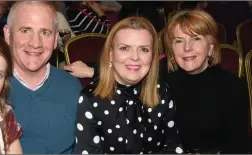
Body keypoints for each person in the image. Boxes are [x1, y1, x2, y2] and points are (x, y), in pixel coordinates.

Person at [73, 17, 183, 154]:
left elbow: (174, 147)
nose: (135, 57)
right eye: (125, 48)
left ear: (152, 57)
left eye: (144, 49)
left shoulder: (161, 91)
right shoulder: (90, 99)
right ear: (111, 55)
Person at [164, 10, 248, 153]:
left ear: (210, 47)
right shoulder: (161, 85)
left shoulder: (233, 87)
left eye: (196, 38)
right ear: (171, 49)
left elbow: (237, 147)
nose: (187, 48)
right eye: (179, 41)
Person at [3, 1, 82, 154]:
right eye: (26, 30)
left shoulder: (71, 87)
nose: (35, 43)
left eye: (45, 32)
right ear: (8, 34)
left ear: (55, 40)